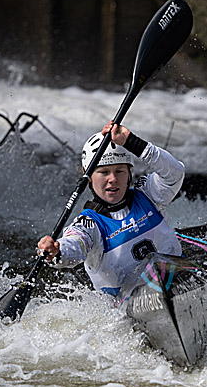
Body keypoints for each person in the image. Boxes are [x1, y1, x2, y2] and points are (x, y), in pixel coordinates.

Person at [37, 121, 184, 297]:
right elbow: (76, 243)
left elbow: (175, 173)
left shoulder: (148, 194)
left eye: (119, 171)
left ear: (129, 173)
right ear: (89, 177)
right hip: (129, 304)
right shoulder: (90, 224)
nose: (113, 179)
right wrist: (57, 250)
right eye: (104, 172)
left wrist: (132, 142)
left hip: (177, 281)